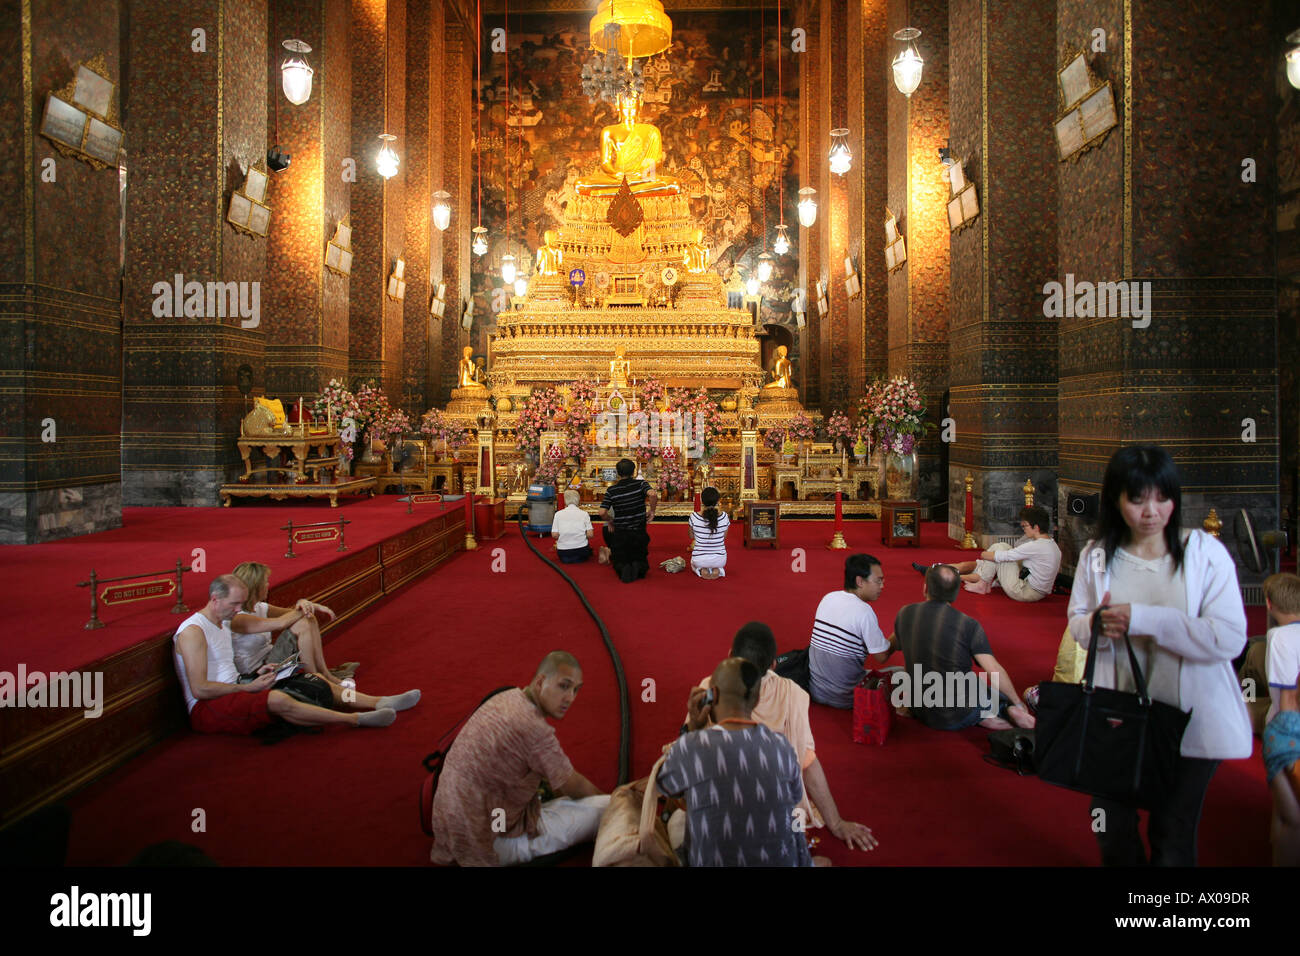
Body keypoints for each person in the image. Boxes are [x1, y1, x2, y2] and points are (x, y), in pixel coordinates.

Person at [1068, 444, 1251, 866]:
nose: (1152, 511)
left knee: (1172, 834)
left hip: (1189, 719)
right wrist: (1094, 625)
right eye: (1137, 499)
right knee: (1110, 826)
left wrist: (1143, 619)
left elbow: (1228, 638)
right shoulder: (1097, 557)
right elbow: (1077, 621)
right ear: (1116, 499)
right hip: (1116, 715)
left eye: (1162, 497)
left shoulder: (1204, 554)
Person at [685, 623, 878, 851]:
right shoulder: (791, 695)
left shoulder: (709, 687)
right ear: (774, 665)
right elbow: (806, 762)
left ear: (729, 655)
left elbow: (689, 757)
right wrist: (835, 823)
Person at [173, 575, 420, 735]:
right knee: (278, 700)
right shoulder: (194, 631)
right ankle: (356, 719)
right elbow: (200, 690)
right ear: (215, 600)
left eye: (241, 605)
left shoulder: (221, 620)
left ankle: (377, 701)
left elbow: (227, 670)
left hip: (240, 685)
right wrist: (247, 689)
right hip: (208, 708)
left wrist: (256, 676)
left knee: (311, 679)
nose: (238, 610)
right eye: (234, 605)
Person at [429, 651, 609, 867]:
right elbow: (573, 784)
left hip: (449, 831)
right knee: (604, 808)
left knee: (556, 795)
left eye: (576, 689)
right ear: (541, 681)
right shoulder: (533, 729)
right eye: (564, 686)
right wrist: (617, 802)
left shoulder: (506, 696)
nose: (570, 697)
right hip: (489, 842)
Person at [660, 657, 813, 866]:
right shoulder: (782, 747)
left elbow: (665, 786)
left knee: (677, 819)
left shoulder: (692, 747)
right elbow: (794, 803)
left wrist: (692, 729)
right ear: (757, 700)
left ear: (712, 695)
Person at [893, 566, 1035, 731]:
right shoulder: (967, 624)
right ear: (956, 593)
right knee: (986, 688)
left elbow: (908, 655)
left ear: (925, 588)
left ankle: (985, 713)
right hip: (957, 712)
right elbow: (993, 669)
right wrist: (1016, 702)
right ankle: (996, 712)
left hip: (921, 708)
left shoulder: (905, 613)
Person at [229, 561, 357, 686]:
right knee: (302, 622)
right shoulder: (238, 618)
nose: (268, 585)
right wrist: (308, 605)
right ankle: (314, 678)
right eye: (265, 582)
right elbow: (281, 623)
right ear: (255, 587)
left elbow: (293, 613)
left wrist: (303, 603)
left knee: (308, 619)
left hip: (269, 658)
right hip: (256, 673)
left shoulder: (259, 607)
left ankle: (323, 673)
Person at [916, 505, 1061, 600]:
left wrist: (985, 554)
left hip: (1025, 591)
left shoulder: (1037, 546)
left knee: (999, 549)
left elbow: (1006, 555)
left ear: (1036, 527)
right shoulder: (1049, 544)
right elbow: (1017, 549)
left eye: (1025, 526)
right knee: (1000, 548)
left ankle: (981, 582)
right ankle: (950, 573)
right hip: (1033, 589)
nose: (1023, 529)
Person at [808, 554, 892, 708]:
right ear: (860, 581)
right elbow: (882, 656)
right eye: (878, 581)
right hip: (847, 697)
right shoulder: (864, 611)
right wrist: (896, 637)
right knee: (902, 672)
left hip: (816, 692)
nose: (882, 586)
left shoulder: (828, 598)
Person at [1262, 572, 1300, 865]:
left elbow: (1287, 696)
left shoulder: (1279, 638)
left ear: (1268, 604)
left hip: (1288, 732)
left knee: (1287, 817)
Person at [599, 458, 658, 583]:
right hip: (638, 530)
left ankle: (624, 568)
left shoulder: (611, 490)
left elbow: (602, 512)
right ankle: (638, 567)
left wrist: (610, 520)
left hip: (621, 531)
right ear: (634, 472)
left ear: (618, 473)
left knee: (621, 558)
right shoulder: (641, 484)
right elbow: (652, 494)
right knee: (639, 556)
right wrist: (652, 511)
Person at [687, 487, 730, 579]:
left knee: (693, 563)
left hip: (699, 559)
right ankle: (717, 569)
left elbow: (691, 536)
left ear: (702, 501)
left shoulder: (693, 516)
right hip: (720, 559)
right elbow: (724, 537)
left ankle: (702, 569)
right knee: (717, 561)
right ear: (717, 500)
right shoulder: (724, 516)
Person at [550, 488, 594, 564]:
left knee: (566, 558)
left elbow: (554, 535)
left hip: (564, 553)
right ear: (578, 500)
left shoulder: (558, 514)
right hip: (581, 551)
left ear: (565, 500)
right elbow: (590, 535)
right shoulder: (584, 514)